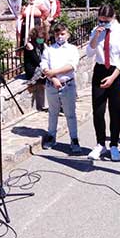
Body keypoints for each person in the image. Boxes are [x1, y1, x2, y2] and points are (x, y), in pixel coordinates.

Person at [86, 5, 120, 161]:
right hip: (100, 69)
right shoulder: (96, 30)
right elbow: (89, 53)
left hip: (116, 72)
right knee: (98, 110)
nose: (103, 24)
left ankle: (114, 145)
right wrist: (96, 36)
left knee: (115, 111)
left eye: (106, 21)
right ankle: (100, 143)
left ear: (113, 17)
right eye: (100, 21)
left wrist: (113, 78)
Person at [41, 23, 81, 154]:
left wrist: (54, 72)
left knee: (70, 114)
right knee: (53, 112)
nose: (60, 36)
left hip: (67, 85)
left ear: (68, 35)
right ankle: (51, 136)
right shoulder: (49, 50)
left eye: (62, 34)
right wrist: (53, 78)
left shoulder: (72, 49)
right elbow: (44, 66)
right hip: (51, 85)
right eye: (57, 34)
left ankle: (74, 139)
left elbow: (71, 65)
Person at [23, 26, 47, 111]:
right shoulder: (30, 45)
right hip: (32, 69)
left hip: (39, 67)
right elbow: (36, 60)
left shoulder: (41, 45)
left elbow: (46, 57)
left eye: (42, 38)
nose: (41, 39)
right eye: (39, 38)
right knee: (47, 74)